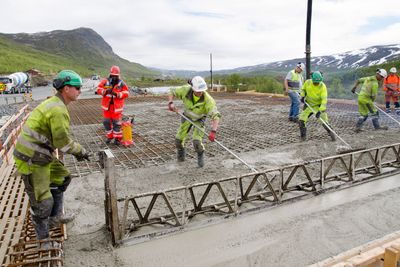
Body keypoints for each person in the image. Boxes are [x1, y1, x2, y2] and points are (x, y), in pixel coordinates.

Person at [13, 70, 90, 242]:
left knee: (62, 178)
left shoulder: (56, 103)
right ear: (66, 89)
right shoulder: (57, 110)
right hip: (31, 158)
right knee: (43, 203)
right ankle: (43, 238)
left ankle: (55, 218)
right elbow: (63, 143)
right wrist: (81, 151)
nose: (80, 91)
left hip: (41, 154)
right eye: (77, 88)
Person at [168, 76, 221, 167]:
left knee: (197, 142)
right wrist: (170, 103)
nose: (200, 93)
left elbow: (216, 115)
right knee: (178, 141)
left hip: (199, 120)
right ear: (192, 88)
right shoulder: (185, 90)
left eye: (202, 91)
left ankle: (200, 155)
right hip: (187, 117)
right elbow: (171, 91)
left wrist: (213, 131)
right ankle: (181, 156)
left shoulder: (208, 100)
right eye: (198, 91)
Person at [96, 65, 129, 145]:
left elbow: (126, 93)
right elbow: (98, 89)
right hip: (107, 107)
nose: (114, 77)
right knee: (106, 122)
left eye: (115, 76)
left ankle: (117, 138)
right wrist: (105, 91)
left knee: (116, 123)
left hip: (116, 108)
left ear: (118, 75)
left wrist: (117, 94)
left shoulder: (121, 83)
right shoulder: (106, 81)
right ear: (110, 74)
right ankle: (109, 136)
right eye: (112, 75)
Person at [298, 71, 335, 141]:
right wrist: (302, 96)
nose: (316, 83)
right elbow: (303, 89)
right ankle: (303, 137)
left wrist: (320, 111)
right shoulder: (308, 82)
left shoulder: (322, 86)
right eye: (315, 82)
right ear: (312, 79)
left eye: (318, 82)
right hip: (309, 106)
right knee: (301, 121)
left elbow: (324, 100)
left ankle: (331, 134)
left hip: (319, 106)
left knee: (324, 122)